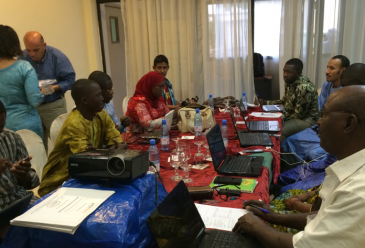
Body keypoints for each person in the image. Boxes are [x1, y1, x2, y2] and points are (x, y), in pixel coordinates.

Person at [233, 86, 365, 248]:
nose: (318, 121)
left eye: (324, 114)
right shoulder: (350, 166)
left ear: (349, 123)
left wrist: (256, 226)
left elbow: (303, 246)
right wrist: (273, 216)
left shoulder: (358, 193)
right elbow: (324, 217)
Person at [38, 79, 125, 197]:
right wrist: (108, 152)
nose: (102, 99)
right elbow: (85, 162)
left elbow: (116, 143)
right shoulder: (74, 123)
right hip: (61, 182)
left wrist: (98, 152)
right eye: (98, 96)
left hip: (89, 175)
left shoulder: (102, 114)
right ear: (85, 100)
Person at [281, 61, 363, 164]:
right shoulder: (327, 86)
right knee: (290, 142)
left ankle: (303, 175)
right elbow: (322, 112)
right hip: (324, 126)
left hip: (339, 135)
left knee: (315, 155)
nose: (327, 71)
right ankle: (293, 174)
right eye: (327, 67)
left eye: (332, 68)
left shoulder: (357, 100)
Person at [20, 31, 75, 145]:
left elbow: (70, 80)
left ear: (44, 45)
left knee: (61, 144)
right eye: (28, 50)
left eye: (36, 50)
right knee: (36, 146)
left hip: (53, 105)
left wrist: (53, 88)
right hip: (32, 108)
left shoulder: (57, 57)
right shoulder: (22, 57)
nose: (32, 54)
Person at [256, 58, 318, 144]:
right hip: (292, 114)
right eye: (284, 71)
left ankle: (278, 154)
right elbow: (284, 101)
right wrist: (266, 103)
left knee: (281, 129)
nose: (285, 74)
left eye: (289, 72)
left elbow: (298, 115)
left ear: (298, 73)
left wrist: (280, 117)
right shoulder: (290, 82)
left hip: (307, 120)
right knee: (264, 115)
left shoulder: (304, 88)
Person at [0, 25, 44, 140]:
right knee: (33, 158)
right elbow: (34, 101)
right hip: (27, 127)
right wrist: (41, 93)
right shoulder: (24, 67)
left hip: (3, 129)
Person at [0, 100, 40, 210]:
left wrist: (23, 175)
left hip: (22, 201)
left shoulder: (11, 138)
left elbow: (31, 184)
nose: (1, 132)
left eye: (1, 126)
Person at [125, 71, 179, 143]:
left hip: (154, 138)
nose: (162, 90)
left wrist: (178, 112)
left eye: (163, 87)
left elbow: (168, 114)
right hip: (137, 142)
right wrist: (172, 115)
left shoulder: (158, 99)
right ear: (150, 85)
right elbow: (149, 125)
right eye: (159, 87)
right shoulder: (137, 102)